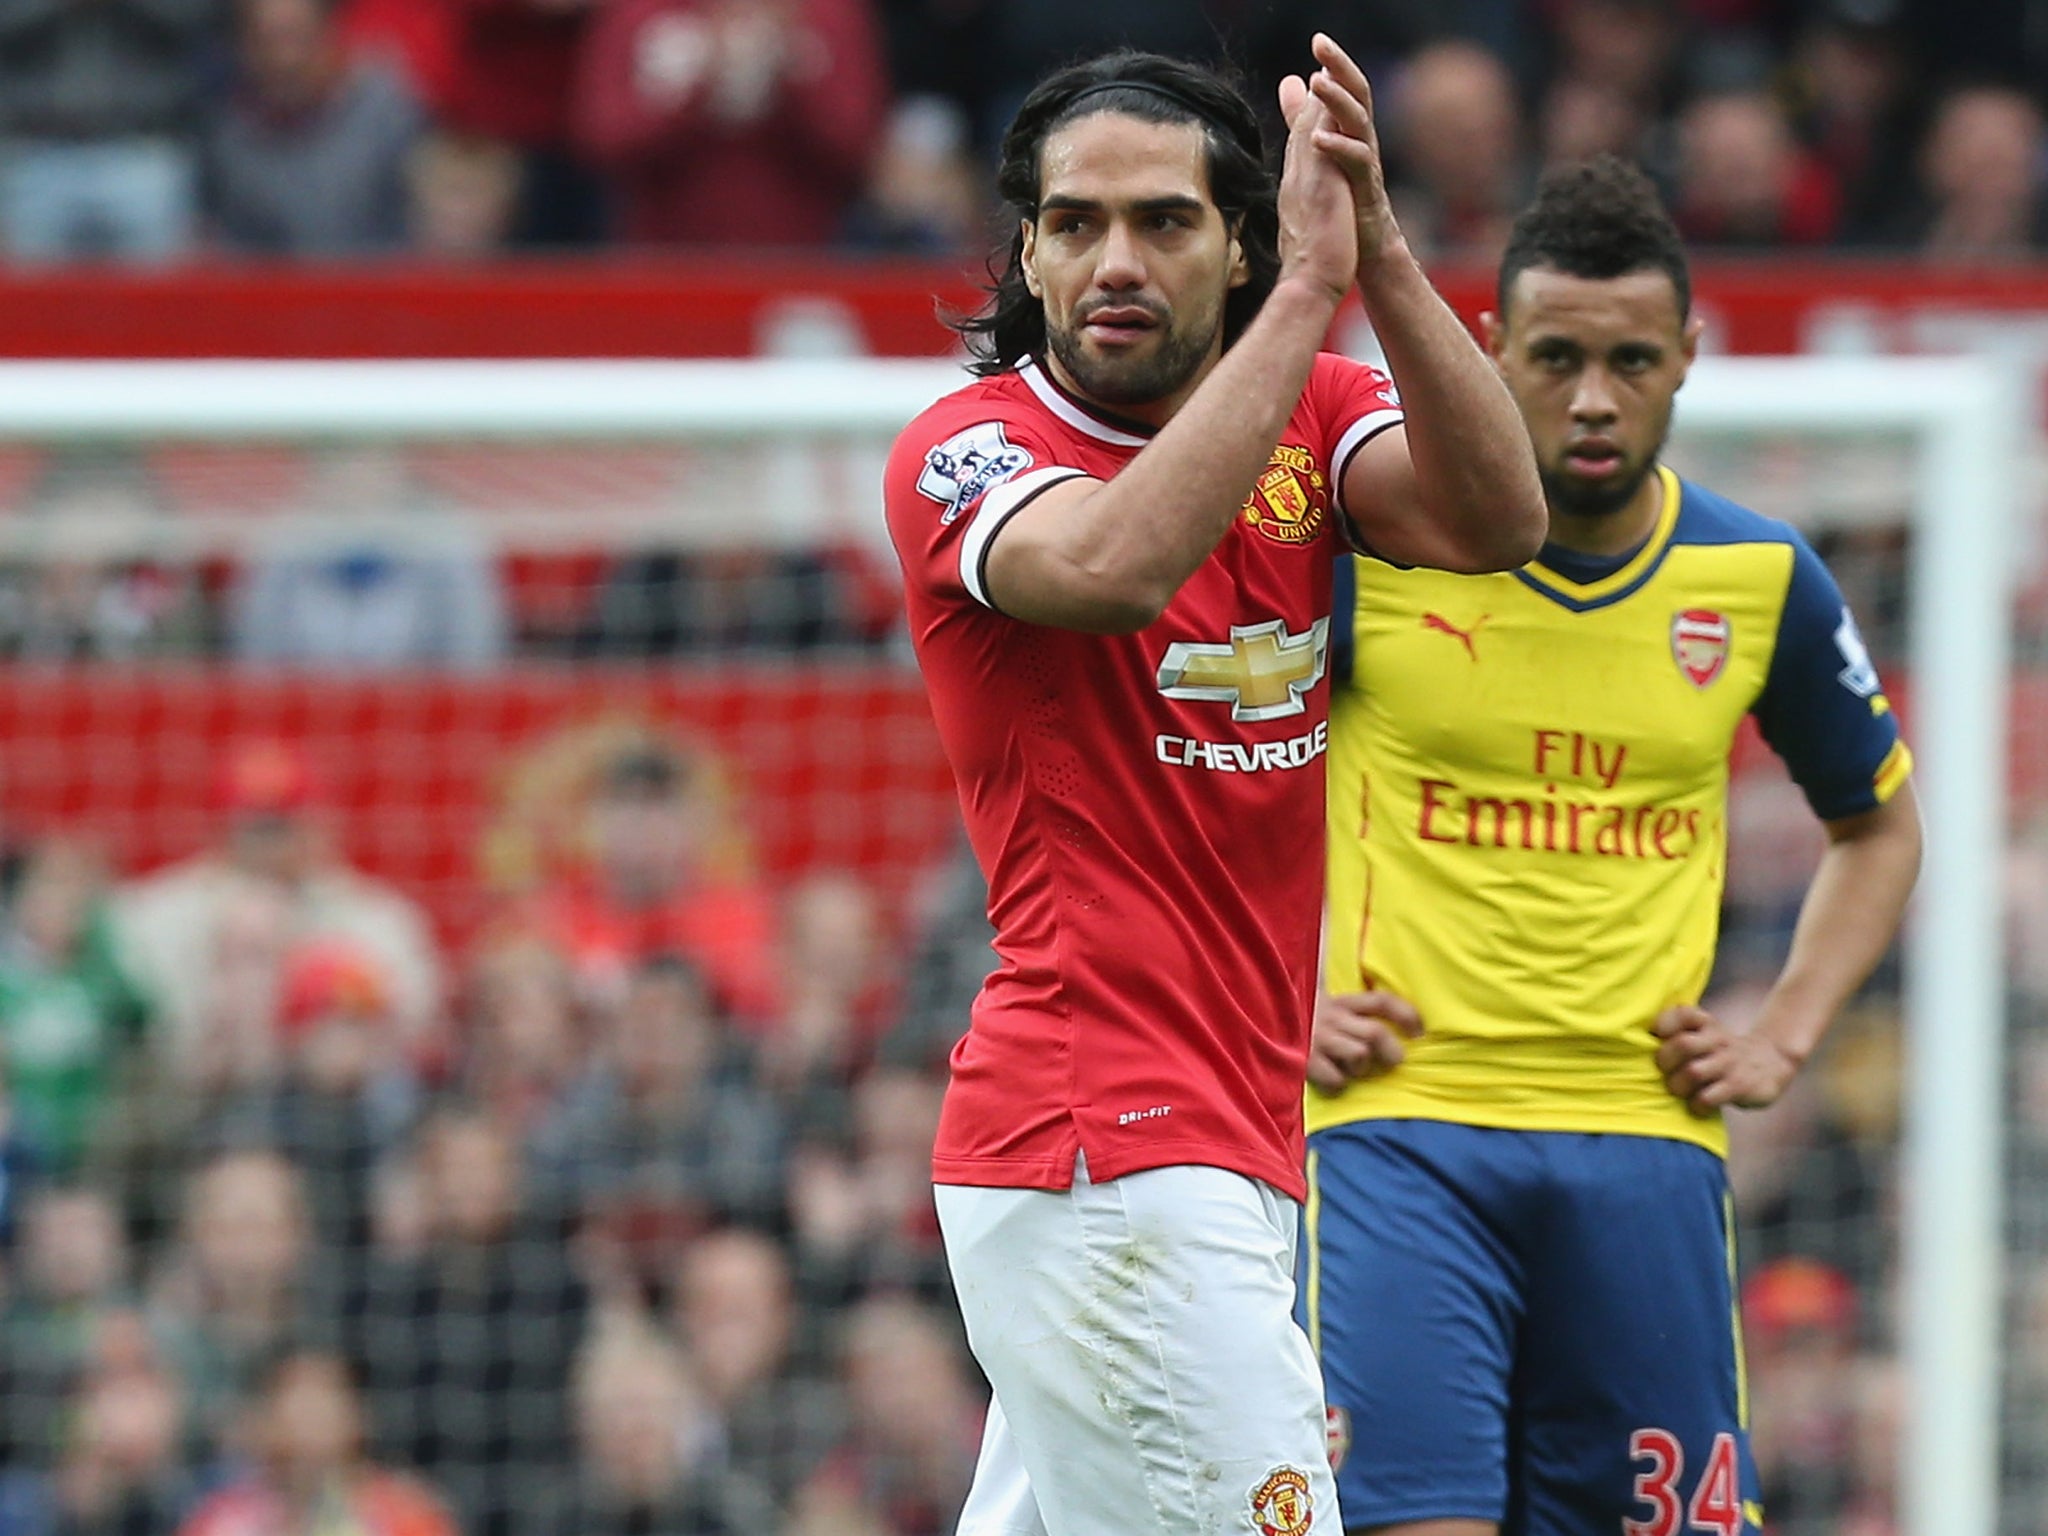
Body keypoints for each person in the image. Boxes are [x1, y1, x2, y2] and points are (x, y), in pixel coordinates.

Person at [882, 35, 1543, 1536]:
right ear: (1030, 258)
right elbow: (1110, 570)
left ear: (1236, 238)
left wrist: (1372, 244)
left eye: (1165, 222)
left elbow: (1501, 518)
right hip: (1103, 1146)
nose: (1116, 259)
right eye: (1075, 223)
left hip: (1217, 1146)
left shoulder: (1313, 410)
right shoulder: (966, 450)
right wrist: (1306, 293)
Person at [1303, 155, 1923, 1536]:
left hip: (1645, 1143)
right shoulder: (1377, 556)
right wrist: (1273, 1002)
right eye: (1559, 357)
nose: (1593, 397)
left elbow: (1878, 828)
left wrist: (1782, 1034)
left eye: (1632, 360)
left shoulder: (1756, 578)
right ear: (1490, 350)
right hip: (1400, 1129)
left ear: (1690, 356)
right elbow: (1196, 788)